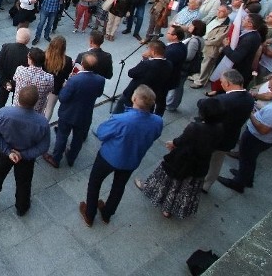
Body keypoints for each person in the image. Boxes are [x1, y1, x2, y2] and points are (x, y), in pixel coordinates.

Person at [80, 85, 163, 226]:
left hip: (108, 157)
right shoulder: (158, 121)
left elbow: (101, 133)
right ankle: (107, 213)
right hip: (131, 160)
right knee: (119, 186)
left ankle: (89, 214)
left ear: (135, 99)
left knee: (95, 182)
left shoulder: (122, 119)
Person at [135, 97, 224, 219]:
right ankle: (168, 209)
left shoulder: (195, 127)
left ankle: (151, 190)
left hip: (183, 159)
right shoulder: (219, 128)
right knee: (185, 187)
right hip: (200, 163)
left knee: (169, 179)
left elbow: (181, 140)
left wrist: (172, 143)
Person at [217, 76, 272, 194]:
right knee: (249, 159)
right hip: (271, 139)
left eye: (271, 88)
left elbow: (263, 129)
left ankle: (238, 183)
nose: (269, 89)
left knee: (247, 159)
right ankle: (246, 177)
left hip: (257, 138)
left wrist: (250, 114)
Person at [0, 86, 51, 217]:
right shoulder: (42, 122)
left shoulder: (3, 113)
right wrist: (22, 154)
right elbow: (44, 147)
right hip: (26, 158)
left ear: (18, 98)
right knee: (24, 183)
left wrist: (9, 152)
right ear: (36, 102)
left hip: (3, 153)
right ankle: (22, 207)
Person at [43, 53, 105, 168]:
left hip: (68, 114)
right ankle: (71, 158)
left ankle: (56, 159)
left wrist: (64, 86)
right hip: (85, 114)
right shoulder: (100, 80)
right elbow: (99, 93)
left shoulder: (74, 80)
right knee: (78, 138)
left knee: (62, 136)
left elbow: (62, 97)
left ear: (82, 64)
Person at [200, 69, 254, 193]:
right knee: (217, 162)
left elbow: (204, 106)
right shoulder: (249, 98)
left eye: (222, 82)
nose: (221, 84)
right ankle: (206, 185)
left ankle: (196, 180)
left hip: (213, 136)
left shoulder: (223, 100)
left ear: (228, 84)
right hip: (230, 137)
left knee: (202, 158)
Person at [112, 40, 172, 115]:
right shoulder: (169, 64)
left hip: (134, 94)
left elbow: (131, 73)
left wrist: (143, 60)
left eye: (148, 49)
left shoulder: (147, 64)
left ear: (153, 52)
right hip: (151, 96)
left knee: (118, 113)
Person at [9, 47, 54, 114]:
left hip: (17, 109)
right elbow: (50, 90)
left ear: (31, 60)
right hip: (35, 112)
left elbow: (14, 79)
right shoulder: (49, 78)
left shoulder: (20, 70)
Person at [0, 27, 31, 110]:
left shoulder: (6, 47)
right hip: (19, 85)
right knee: (15, 105)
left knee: (0, 104)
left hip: (5, 81)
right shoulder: (29, 53)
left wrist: (4, 81)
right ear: (28, 40)